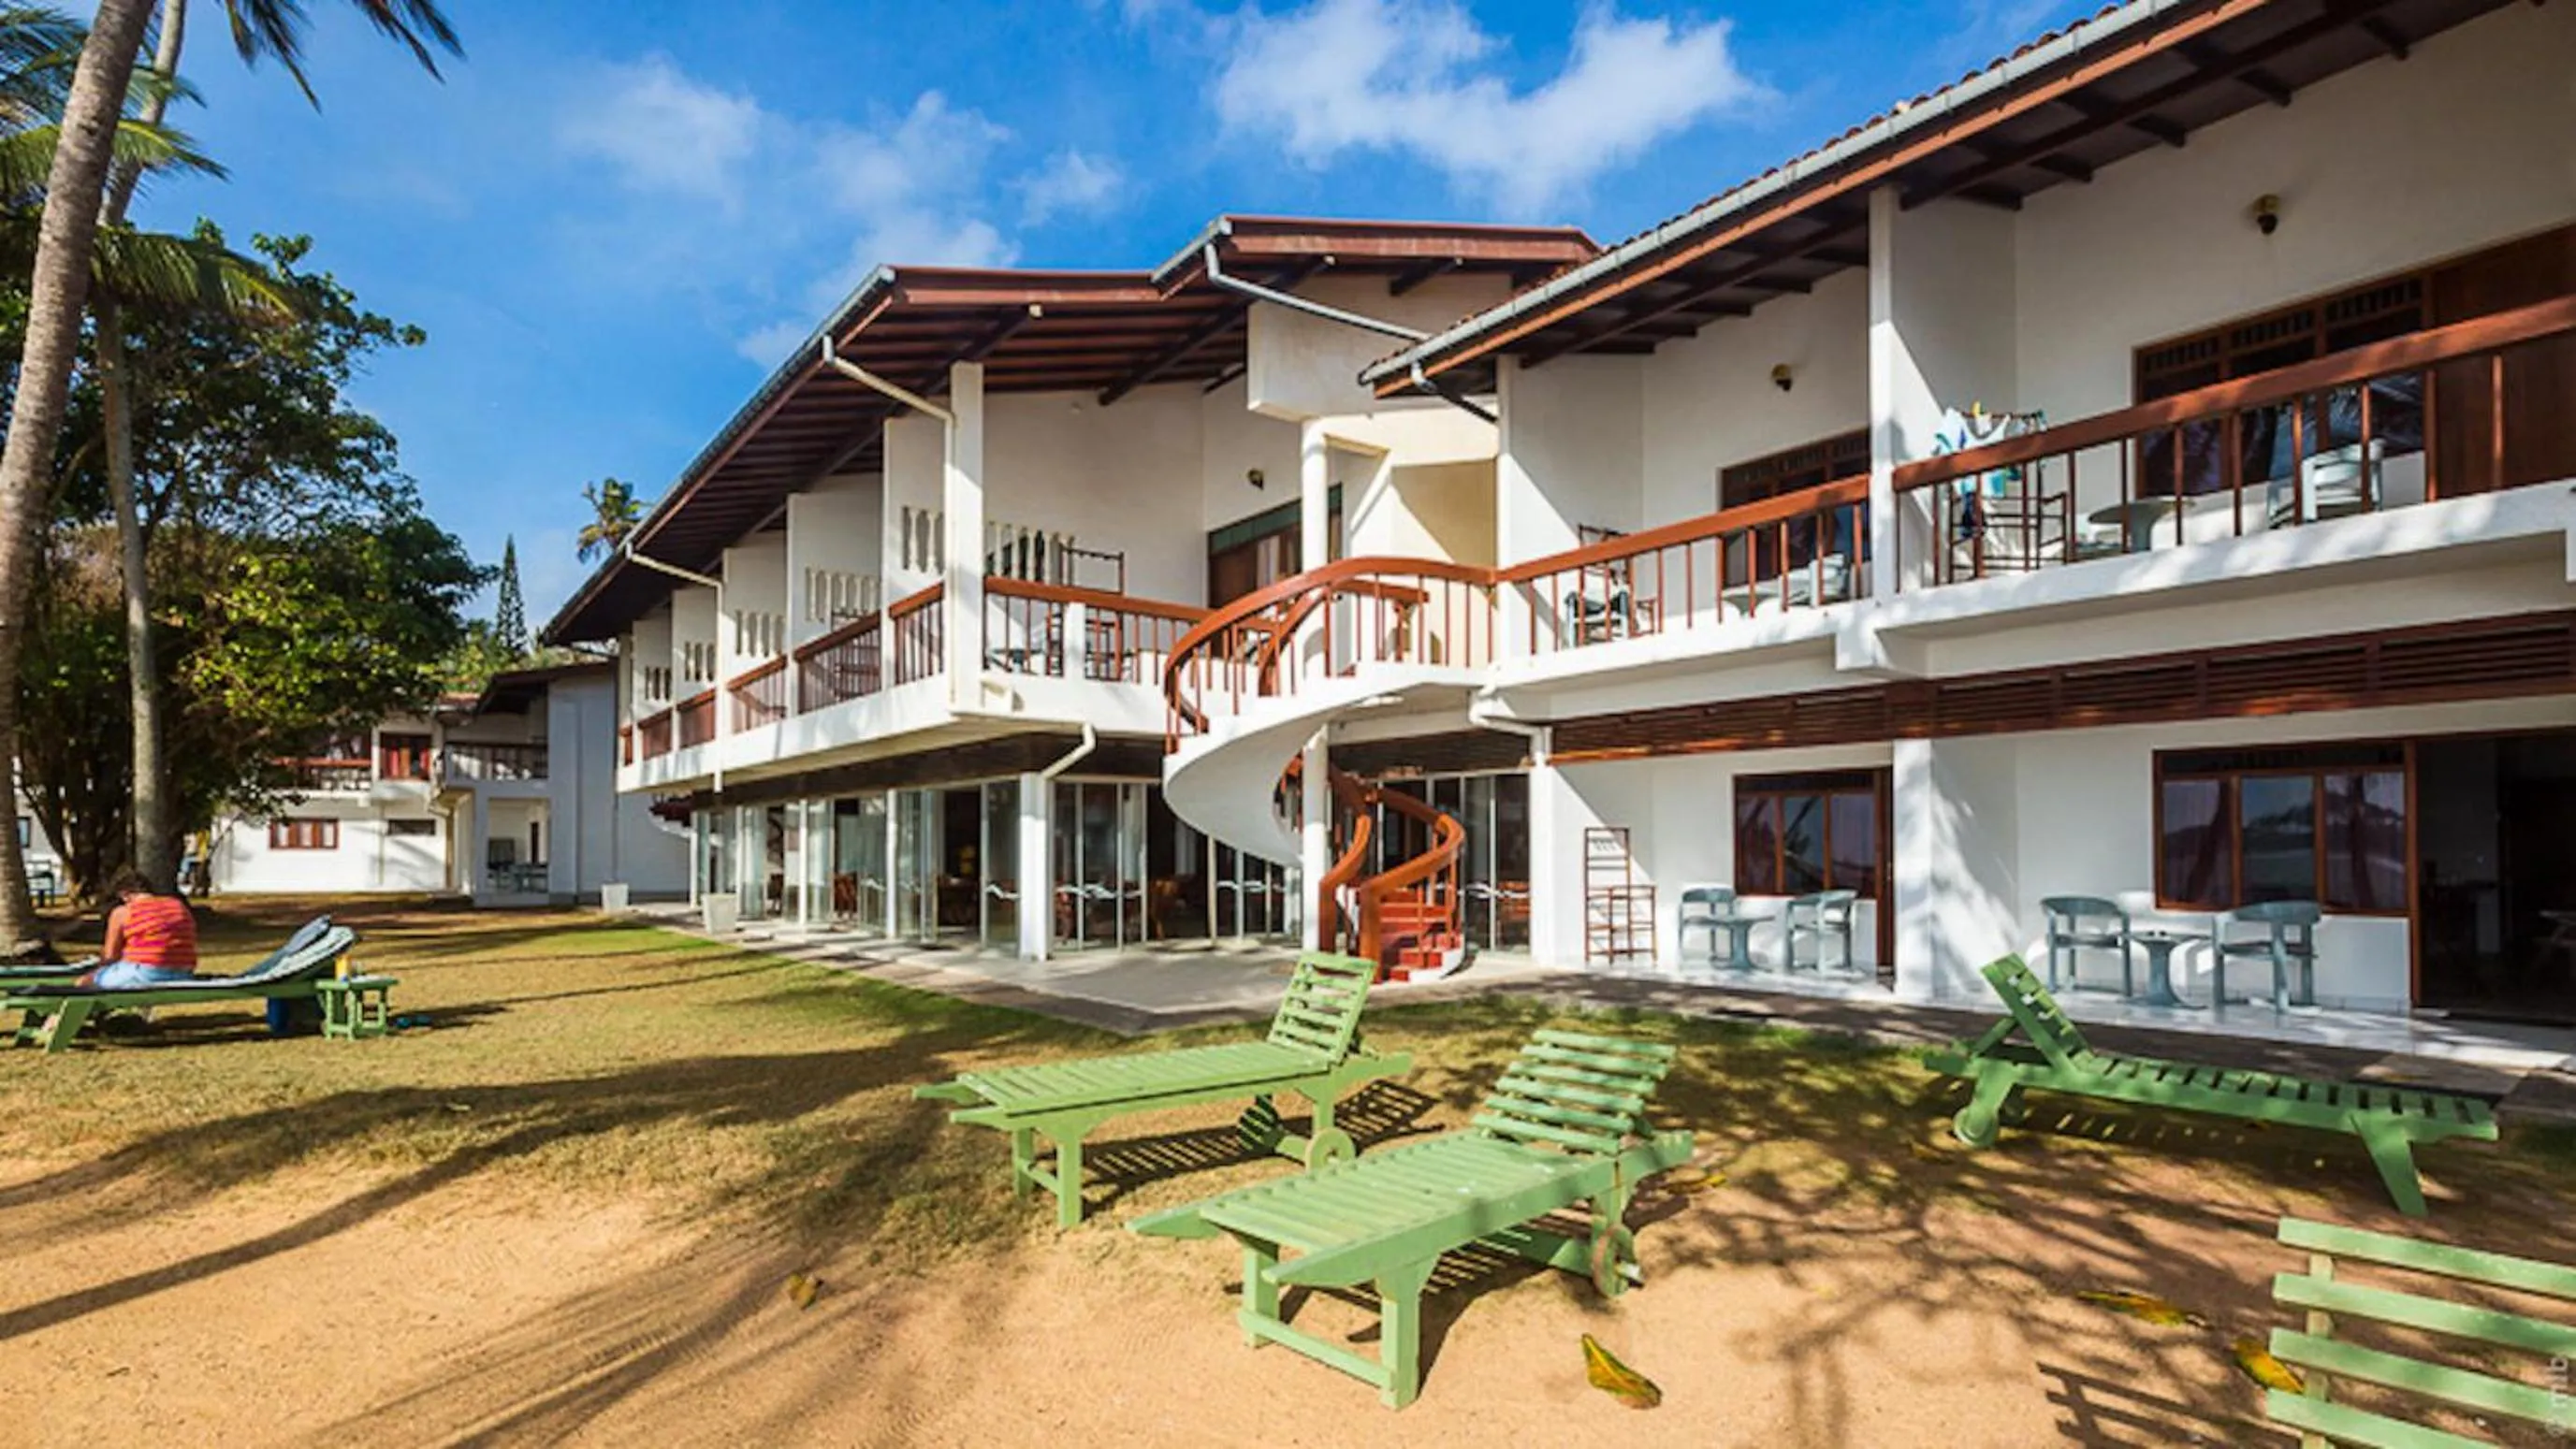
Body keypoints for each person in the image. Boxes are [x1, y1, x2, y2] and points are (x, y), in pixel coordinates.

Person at [77, 869, 200, 989]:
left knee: (85, 982)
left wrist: (96, 973)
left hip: (146, 972)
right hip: (184, 972)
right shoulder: (177, 905)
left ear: (124, 895)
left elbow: (110, 956)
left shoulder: (124, 912)